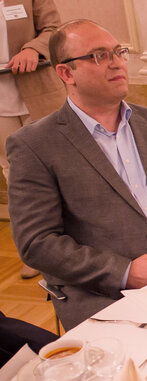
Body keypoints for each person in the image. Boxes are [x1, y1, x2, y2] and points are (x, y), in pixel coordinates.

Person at [7, 20, 147, 330]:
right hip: (107, 298)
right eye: (98, 55)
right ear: (66, 73)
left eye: (118, 52)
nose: (115, 63)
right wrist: (123, 272)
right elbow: (37, 242)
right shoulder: (35, 145)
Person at [1, 0, 66, 279]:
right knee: (14, 174)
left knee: (59, 168)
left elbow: (54, 29)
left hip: (36, 95)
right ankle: (34, 249)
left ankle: (70, 246)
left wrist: (32, 48)